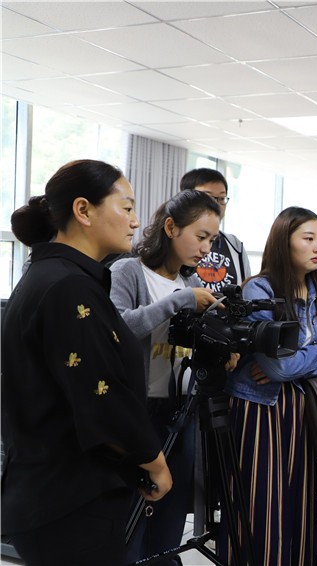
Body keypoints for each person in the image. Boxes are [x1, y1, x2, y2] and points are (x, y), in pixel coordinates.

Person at [1, 160, 172, 565]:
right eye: (126, 207)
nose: (135, 222)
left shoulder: (54, 275)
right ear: (83, 210)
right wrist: (155, 461)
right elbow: (101, 394)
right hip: (67, 499)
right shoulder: (69, 287)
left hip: (52, 492)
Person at [110, 189, 231, 565]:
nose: (206, 248)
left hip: (180, 409)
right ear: (171, 228)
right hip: (138, 411)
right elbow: (120, 328)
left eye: (212, 239)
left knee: (172, 512)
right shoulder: (128, 271)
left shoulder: (189, 280)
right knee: (132, 513)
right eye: (201, 236)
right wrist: (182, 300)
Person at [220, 206, 317, 566]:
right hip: (259, 406)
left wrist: (300, 361)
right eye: (308, 238)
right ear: (283, 242)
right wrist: (313, 356)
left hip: (300, 404)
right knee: (262, 499)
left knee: (298, 498)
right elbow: (277, 366)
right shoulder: (259, 288)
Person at [180, 168, 251, 292]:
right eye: (208, 197)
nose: (216, 204)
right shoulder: (177, 241)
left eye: (222, 198)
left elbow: (244, 289)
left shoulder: (235, 245)